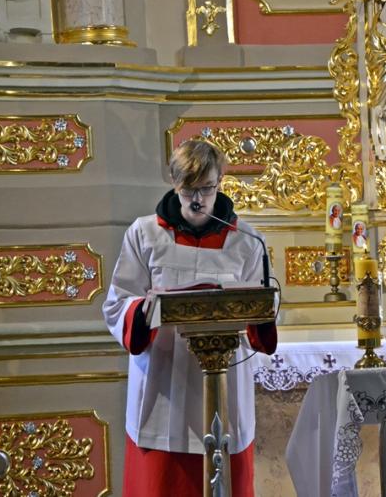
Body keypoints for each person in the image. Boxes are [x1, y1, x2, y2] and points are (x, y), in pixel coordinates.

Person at [102, 140, 277, 496]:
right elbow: (118, 303)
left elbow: (266, 312)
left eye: (207, 189)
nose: (198, 200)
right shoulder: (144, 234)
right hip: (164, 386)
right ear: (173, 182)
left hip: (225, 383)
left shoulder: (248, 241)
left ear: (221, 181)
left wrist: (256, 312)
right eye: (188, 190)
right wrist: (145, 309)